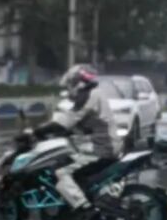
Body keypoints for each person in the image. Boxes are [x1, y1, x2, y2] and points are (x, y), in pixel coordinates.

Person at [51, 64, 120, 209]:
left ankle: (83, 207)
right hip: (105, 146)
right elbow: (78, 124)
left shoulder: (88, 95)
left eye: (71, 84)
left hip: (102, 149)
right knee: (72, 164)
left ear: (79, 83)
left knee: (62, 172)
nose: (69, 89)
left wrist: (39, 132)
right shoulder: (95, 93)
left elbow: (68, 121)